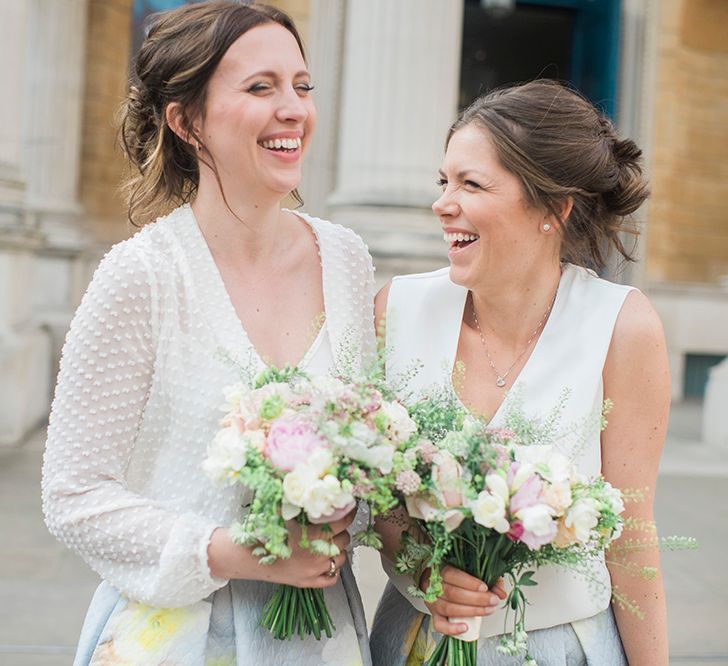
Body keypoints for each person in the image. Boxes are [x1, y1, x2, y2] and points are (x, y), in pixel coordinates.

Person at [41, 4, 375, 664]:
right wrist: (231, 552)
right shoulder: (142, 276)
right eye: (261, 88)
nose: (294, 109)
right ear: (187, 122)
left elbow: (371, 442)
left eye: (301, 87)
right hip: (175, 638)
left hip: (319, 638)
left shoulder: (347, 261)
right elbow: (72, 495)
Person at [370, 79, 669, 665]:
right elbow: (379, 498)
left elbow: (631, 536)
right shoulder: (396, 311)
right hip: (411, 640)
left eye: (471, 183)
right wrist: (426, 566)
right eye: (444, 181)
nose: (442, 202)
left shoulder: (621, 327)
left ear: (553, 208)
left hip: (560, 647)